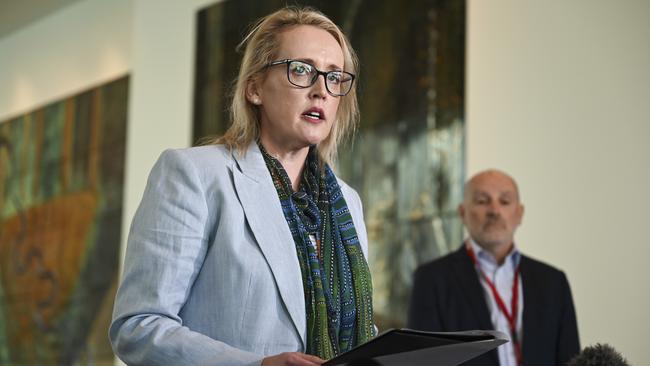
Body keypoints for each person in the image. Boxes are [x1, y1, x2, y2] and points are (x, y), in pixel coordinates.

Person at [109, 6, 375, 366]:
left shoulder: (347, 202)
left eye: (334, 77)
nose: (320, 91)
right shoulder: (194, 175)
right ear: (254, 88)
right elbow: (137, 326)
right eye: (301, 70)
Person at [407, 169, 580, 366]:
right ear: (462, 213)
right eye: (482, 201)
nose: (494, 211)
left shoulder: (553, 282)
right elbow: (422, 362)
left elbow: (571, 360)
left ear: (520, 214)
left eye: (504, 202)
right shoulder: (431, 279)